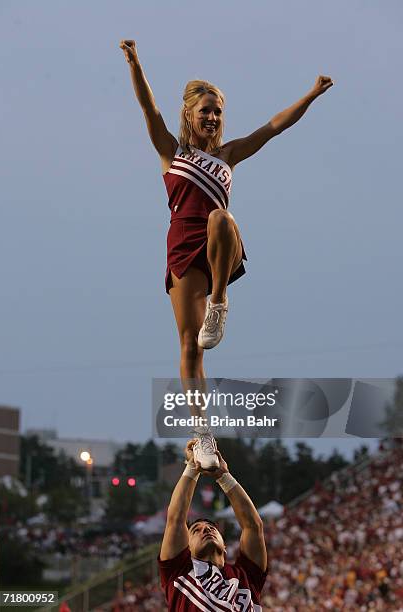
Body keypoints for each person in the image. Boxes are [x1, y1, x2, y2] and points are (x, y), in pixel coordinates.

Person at [119, 39, 333, 467]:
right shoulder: (172, 152)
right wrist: (136, 63)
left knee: (221, 219)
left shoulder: (229, 154)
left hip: (220, 246)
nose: (213, 117)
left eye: (217, 111)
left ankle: (220, 300)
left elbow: (273, 127)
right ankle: (203, 437)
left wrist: (310, 94)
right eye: (206, 111)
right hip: (182, 245)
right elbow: (149, 108)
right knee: (188, 345)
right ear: (190, 115)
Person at [158, 440, 268, 611]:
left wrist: (224, 476)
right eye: (196, 530)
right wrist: (192, 467)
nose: (206, 529)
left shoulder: (246, 574)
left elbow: (254, 526)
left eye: (212, 528)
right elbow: (176, 519)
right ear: (186, 547)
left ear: (225, 546)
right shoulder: (177, 570)